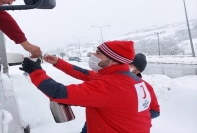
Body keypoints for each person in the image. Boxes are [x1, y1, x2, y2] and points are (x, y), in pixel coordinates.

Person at [20, 40, 154, 133]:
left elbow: (59, 93)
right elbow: (83, 73)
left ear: (113, 60)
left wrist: (34, 71)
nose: (93, 55)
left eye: (98, 53)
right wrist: (58, 62)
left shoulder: (109, 84)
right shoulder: (127, 79)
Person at [130, 53, 160, 118]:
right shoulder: (114, 80)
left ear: (138, 70)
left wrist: (135, 115)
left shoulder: (146, 87)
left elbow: (155, 111)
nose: (127, 65)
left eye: (131, 64)